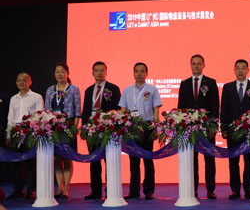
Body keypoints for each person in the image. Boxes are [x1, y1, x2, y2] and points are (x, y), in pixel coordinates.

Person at [177, 54, 219, 199]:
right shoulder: (184, 84)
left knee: (209, 159)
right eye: (194, 63)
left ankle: (210, 190)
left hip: (207, 128)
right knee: (192, 159)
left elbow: (215, 106)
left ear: (203, 65)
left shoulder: (211, 83)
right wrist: (181, 125)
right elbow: (181, 107)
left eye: (199, 63)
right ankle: (193, 189)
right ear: (190, 65)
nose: (196, 66)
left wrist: (214, 126)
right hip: (190, 129)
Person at [220, 59, 250, 200]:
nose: (240, 71)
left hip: (249, 131)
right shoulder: (227, 87)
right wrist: (224, 127)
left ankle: (249, 190)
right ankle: (235, 190)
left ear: (248, 70)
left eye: (243, 68)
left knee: (249, 161)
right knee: (233, 161)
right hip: (232, 131)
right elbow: (224, 109)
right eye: (238, 68)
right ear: (234, 70)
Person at [118, 62, 162, 200]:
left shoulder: (152, 90)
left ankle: (149, 190)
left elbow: (156, 109)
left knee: (148, 160)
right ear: (133, 73)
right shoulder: (127, 90)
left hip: (147, 127)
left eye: (142, 71)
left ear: (146, 73)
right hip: (132, 128)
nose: (139, 74)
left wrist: (156, 128)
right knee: (133, 161)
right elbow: (123, 111)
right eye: (136, 71)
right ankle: (134, 191)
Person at [81, 61, 121, 200]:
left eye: (102, 70)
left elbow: (117, 109)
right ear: (92, 73)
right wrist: (84, 129)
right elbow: (85, 111)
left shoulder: (113, 88)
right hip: (92, 129)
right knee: (94, 161)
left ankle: (111, 190)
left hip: (107, 129)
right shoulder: (88, 90)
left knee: (109, 160)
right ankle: (95, 191)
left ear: (106, 72)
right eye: (96, 70)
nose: (99, 73)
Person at [44, 63, 81, 199]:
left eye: (62, 71)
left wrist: (74, 129)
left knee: (67, 157)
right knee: (57, 158)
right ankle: (59, 187)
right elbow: (47, 110)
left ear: (67, 73)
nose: (60, 74)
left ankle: (66, 188)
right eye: (57, 72)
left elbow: (78, 111)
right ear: (54, 74)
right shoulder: (50, 90)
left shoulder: (74, 89)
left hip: (69, 126)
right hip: (54, 127)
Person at [6, 73, 43, 199]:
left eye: (24, 80)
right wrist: (8, 135)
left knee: (30, 163)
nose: (21, 83)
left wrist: (35, 133)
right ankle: (18, 189)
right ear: (16, 82)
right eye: (19, 80)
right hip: (15, 132)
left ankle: (31, 190)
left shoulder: (36, 97)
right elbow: (10, 118)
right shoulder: (13, 98)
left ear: (30, 82)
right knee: (16, 163)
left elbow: (39, 116)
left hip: (30, 132)